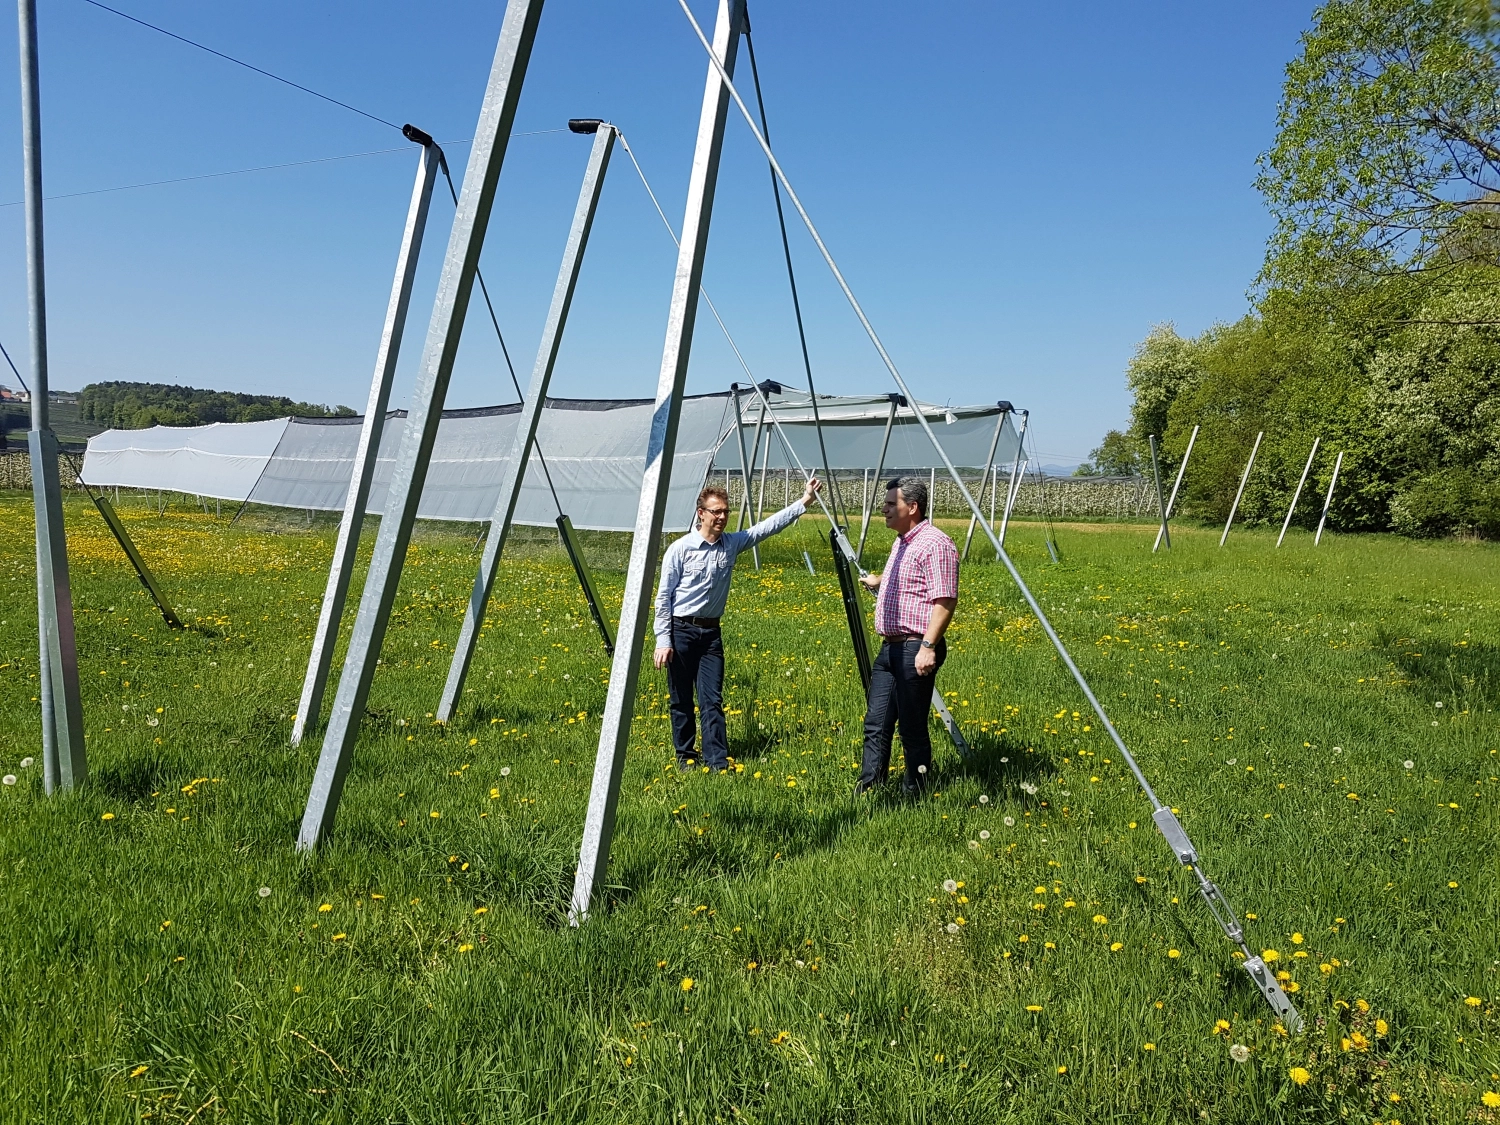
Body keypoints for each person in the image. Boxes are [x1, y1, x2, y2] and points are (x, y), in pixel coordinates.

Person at [654, 476, 823, 771]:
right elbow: (664, 597)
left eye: (725, 512)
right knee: (681, 699)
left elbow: (765, 528)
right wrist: (663, 640)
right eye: (716, 511)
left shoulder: (730, 544)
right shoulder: (680, 550)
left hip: (710, 634)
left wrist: (805, 500)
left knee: (712, 699)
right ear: (701, 513)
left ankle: (717, 761)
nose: (721, 517)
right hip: (681, 630)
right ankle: (686, 757)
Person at [856, 475, 959, 796]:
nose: (883, 510)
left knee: (912, 727)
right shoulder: (903, 541)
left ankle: (916, 790)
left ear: (912, 507)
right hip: (891, 649)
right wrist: (879, 581)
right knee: (876, 723)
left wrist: (928, 646)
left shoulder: (936, 544)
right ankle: (870, 786)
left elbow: (945, 599)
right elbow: (909, 577)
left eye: (890, 504)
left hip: (916, 647)